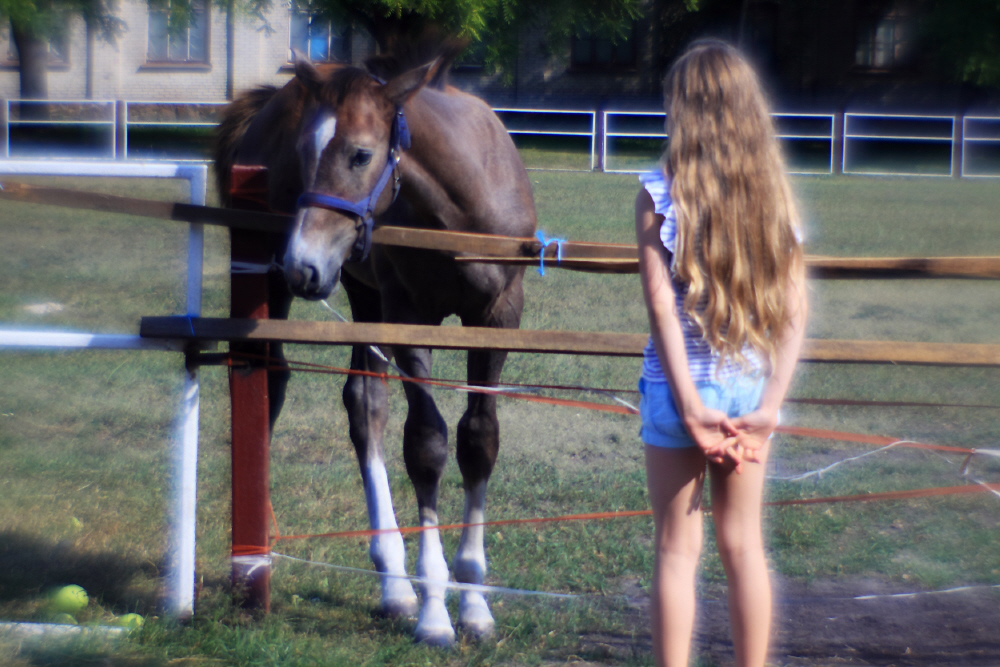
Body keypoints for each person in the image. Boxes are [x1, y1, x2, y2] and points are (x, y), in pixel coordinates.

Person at [636, 40, 808, 667]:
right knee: (744, 547)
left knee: (677, 551)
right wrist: (770, 406)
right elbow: (794, 310)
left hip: (677, 392)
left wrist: (687, 406)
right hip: (745, 391)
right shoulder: (773, 198)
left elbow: (661, 309)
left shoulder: (658, 192)